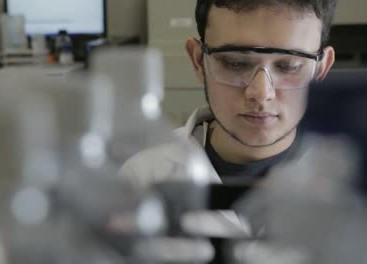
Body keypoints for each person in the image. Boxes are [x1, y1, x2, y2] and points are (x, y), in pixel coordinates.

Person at [120, 0, 337, 261]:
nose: (260, 93)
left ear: (321, 69)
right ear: (198, 61)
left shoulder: (354, 188)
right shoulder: (139, 180)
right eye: (235, 63)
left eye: (289, 66)